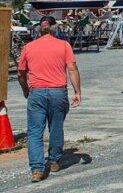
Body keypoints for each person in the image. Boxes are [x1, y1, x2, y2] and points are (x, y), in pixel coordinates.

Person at [17, 16, 81, 183]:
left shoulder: (29, 47)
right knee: (56, 127)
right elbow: (72, 69)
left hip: (36, 92)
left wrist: (25, 90)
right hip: (58, 92)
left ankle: (37, 169)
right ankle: (54, 161)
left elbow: (21, 73)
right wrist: (77, 92)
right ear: (55, 28)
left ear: (40, 28)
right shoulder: (64, 45)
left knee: (35, 132)